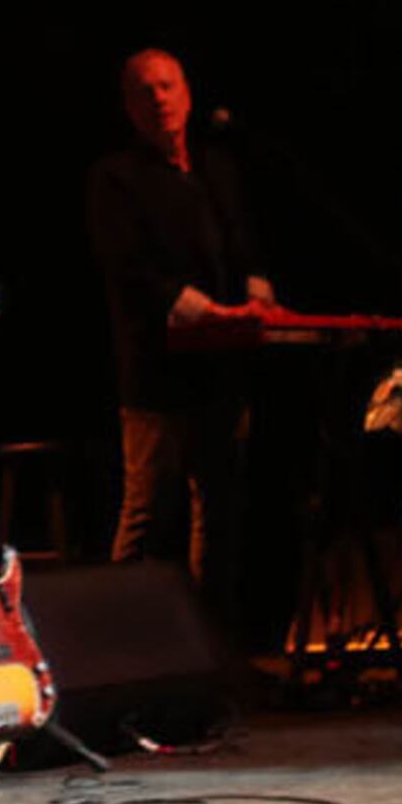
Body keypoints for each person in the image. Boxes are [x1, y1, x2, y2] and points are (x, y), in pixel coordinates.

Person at [84, 47, 275, 578]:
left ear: (188, 96)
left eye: (168, 87)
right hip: (156, 371)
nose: (160, 99)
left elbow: (243, 243)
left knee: (219, 515)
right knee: (148, 512)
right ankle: (124, 643)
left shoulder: (216, 166)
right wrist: (205, 310)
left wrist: (257, 297)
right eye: (146, 91)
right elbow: (130, 268)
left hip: (221, 368)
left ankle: (213, 641)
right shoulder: (115, 177)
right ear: (129, 107)